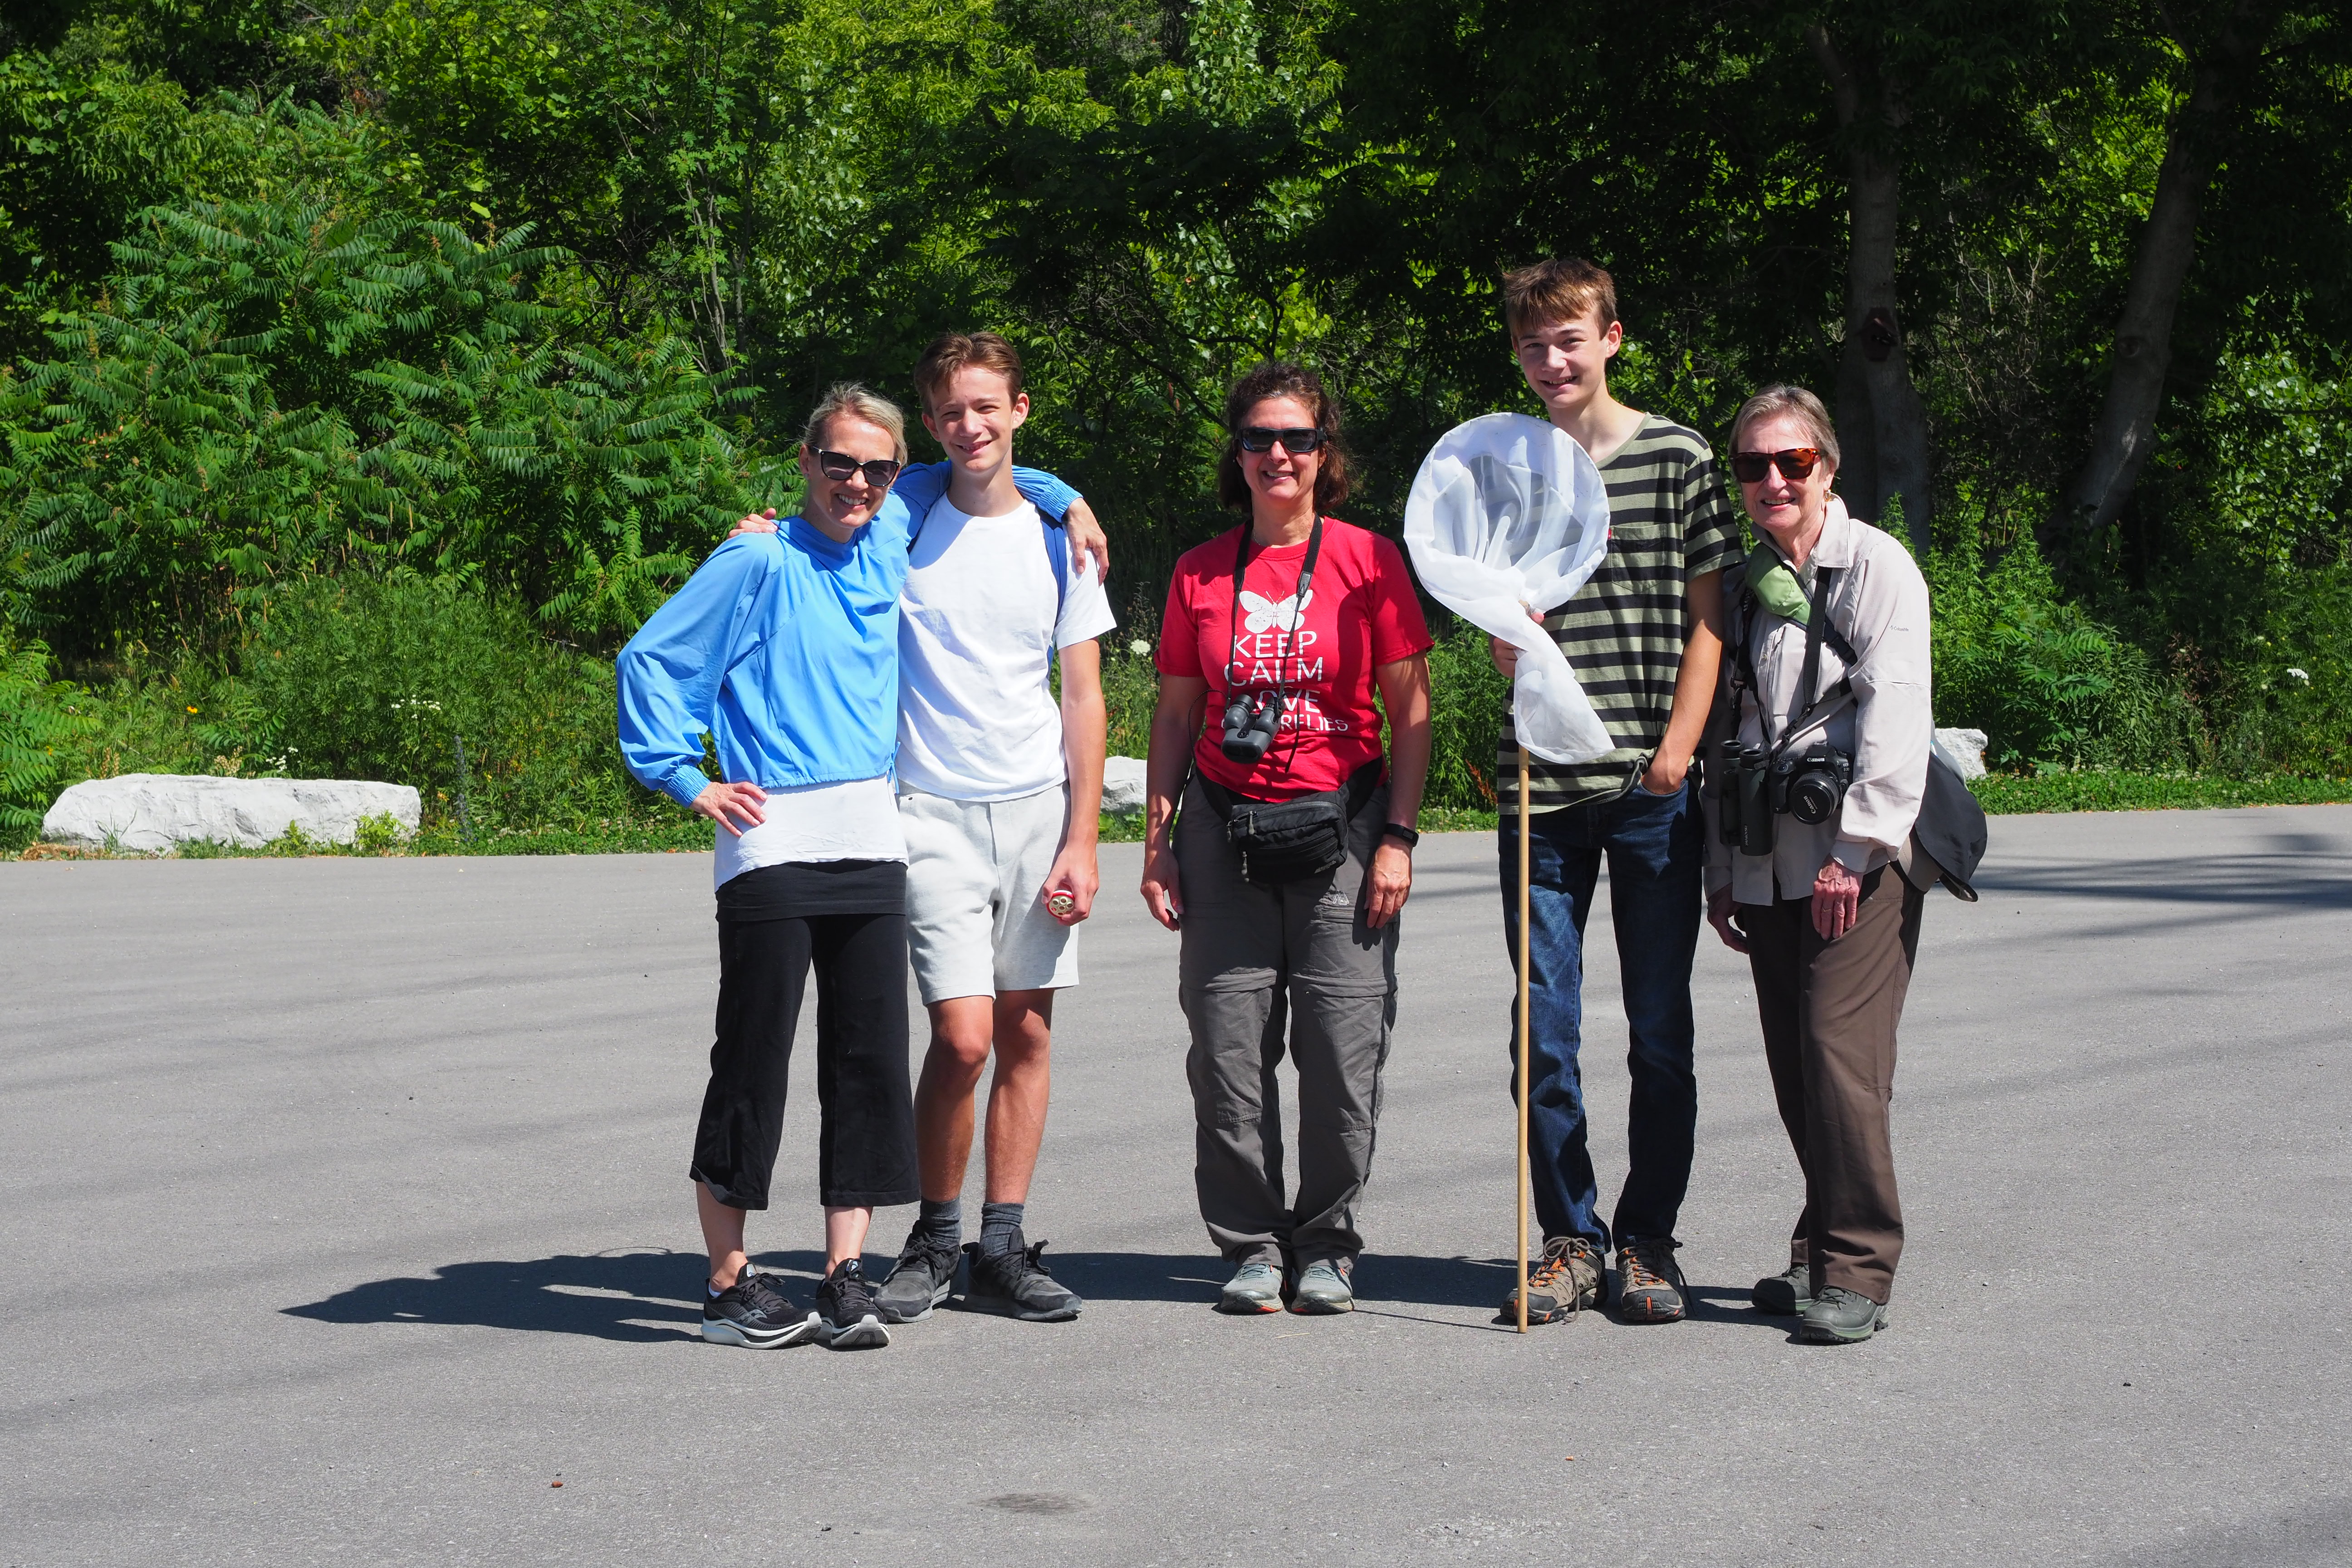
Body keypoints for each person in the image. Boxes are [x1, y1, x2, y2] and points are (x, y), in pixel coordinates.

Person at [619, 383, 1094, 1352]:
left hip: (874, 842)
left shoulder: (890, 534)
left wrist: (1068, 497)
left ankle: (845, 1275)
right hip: (771, 844)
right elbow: (651, 659)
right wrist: (684, 779)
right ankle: (726, 1282)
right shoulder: (756, 555)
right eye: (839, 463)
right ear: (805, 463)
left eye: (877, 468)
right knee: (752, 1063)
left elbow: (987, 462)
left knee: (867, 1066)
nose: (860, 483)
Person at [1139, 360, 1433, 1316]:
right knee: (1227, 1055)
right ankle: (1252, 1244)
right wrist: (1158, 839)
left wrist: (1398, 835)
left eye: (1298, 438)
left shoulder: (1367, 558)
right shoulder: (1199, 570)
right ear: (1238, 453)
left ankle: (1327, 1244)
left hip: (1342, 821)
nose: (1278, 454)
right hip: (1224, 828)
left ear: (1325, 453)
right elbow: (1177, 715)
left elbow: (1411, 712)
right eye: (1260, 438)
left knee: (1342, 1053)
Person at [1487, 257, 1740, 1327]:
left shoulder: (1678, 456)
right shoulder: (1504, 467)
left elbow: (1714, 617)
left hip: (1649, 785)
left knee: (1656, 1029)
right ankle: (1567, 1241)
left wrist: (1679, 749)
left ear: (1611, 338)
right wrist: (1508, 643)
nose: (1552, 360)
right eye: (1534, 344)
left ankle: (1648, 1242)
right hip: (1539, 789)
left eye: (1569, 340)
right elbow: (1487, 603)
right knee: (1543, 1028)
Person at [866, 332, 1113, 1327]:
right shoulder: (902, 516)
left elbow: (1085, 696)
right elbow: (826, 521)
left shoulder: (1063, 541)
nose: (971, 425)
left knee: (1025, 1031)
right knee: (962, 1039)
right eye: (951, 411)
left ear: (1020, 409)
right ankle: (934, 1234)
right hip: (928, 811)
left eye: (987, 407)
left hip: (1036, 814)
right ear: (932, 425)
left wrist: (1084, 836)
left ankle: (1001, 1243)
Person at [1700, 383, 1932, 1346]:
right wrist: (1724, 869)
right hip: (1768, 860)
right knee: (1798, 1067)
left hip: (1855, 861)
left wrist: (1854, 852)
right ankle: (1814, 1250)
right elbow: (1725, 732)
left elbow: (1897, 714)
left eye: (1791, 463)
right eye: (1752, 466)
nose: (1771, 481)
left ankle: (1858, 1267)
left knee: (1842, 1060)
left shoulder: (1874, 565)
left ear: (1827, 469)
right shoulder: (1743, 581)